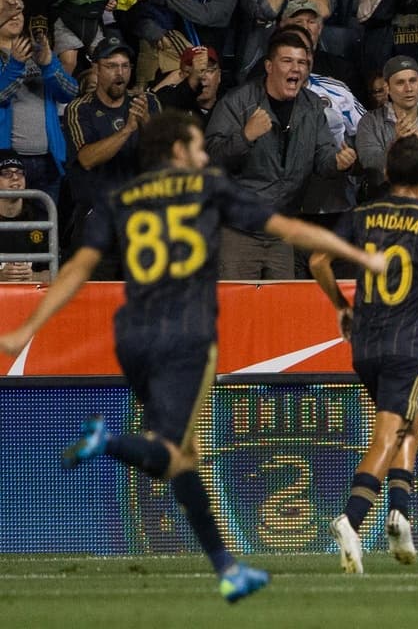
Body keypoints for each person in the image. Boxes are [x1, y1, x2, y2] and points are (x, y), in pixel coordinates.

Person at [0, 110, 389, 600]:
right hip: (186, 337)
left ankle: (227, 568)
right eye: (198, 146)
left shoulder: (121, 198)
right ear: (179, 151)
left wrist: (28, 327)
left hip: (132, 338)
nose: (205, 155)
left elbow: (78, 268)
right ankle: (106, 442)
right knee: (166, 448)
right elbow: (290, 230)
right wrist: (358, 257)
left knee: (186, 454)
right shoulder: (206, 187)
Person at [313, 135, 418, 573]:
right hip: (407, 345)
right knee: (388, 436)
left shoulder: (361, 214)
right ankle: (351, 521)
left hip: (365, 343)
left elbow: (316, 261)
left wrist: (341, 307)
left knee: (413, 426)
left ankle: (400, 516)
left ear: (386, 173)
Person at [204, 30, 357, 279]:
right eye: (287, 61)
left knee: (279, 312)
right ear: (269, 66)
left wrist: (339, 162)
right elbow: (210, 158)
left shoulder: (313, 106)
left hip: (283, 232)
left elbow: (323, 157)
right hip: (238, 231)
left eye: (302, 62)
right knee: (238, 311)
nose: (296, 68)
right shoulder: (238, 103)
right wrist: (246, 137)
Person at [62, 36, 162, 277]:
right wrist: (127, 130)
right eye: (111, 66)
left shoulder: (148, 103)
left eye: (125, 66)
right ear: (96, 68)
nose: (120, 73)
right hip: (97, 219)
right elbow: (86, 158)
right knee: (95, 300)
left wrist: (146, 122)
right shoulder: (79, 108)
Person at [0, 0, 79, 207]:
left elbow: (70, 91)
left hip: (48, 160)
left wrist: (49, 65)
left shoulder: (38, 52)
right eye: (8, 11)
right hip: (7, 166)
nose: (16, 16)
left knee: (45, 234)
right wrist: (15, 65)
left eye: (19, 11)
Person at [356, 55, 418, 205]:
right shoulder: (369, 122)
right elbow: (370, 167)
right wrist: (396, 145)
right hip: (384, 215)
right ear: (387, 88)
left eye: (413, 81)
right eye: (400, 83)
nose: (408, 88)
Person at [0, 150, 52, 282]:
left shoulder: (42, 220)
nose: (15, 177)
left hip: (31, 298)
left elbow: (57, 273)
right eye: (6, 173)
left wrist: (32, 276)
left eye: (19, 172)